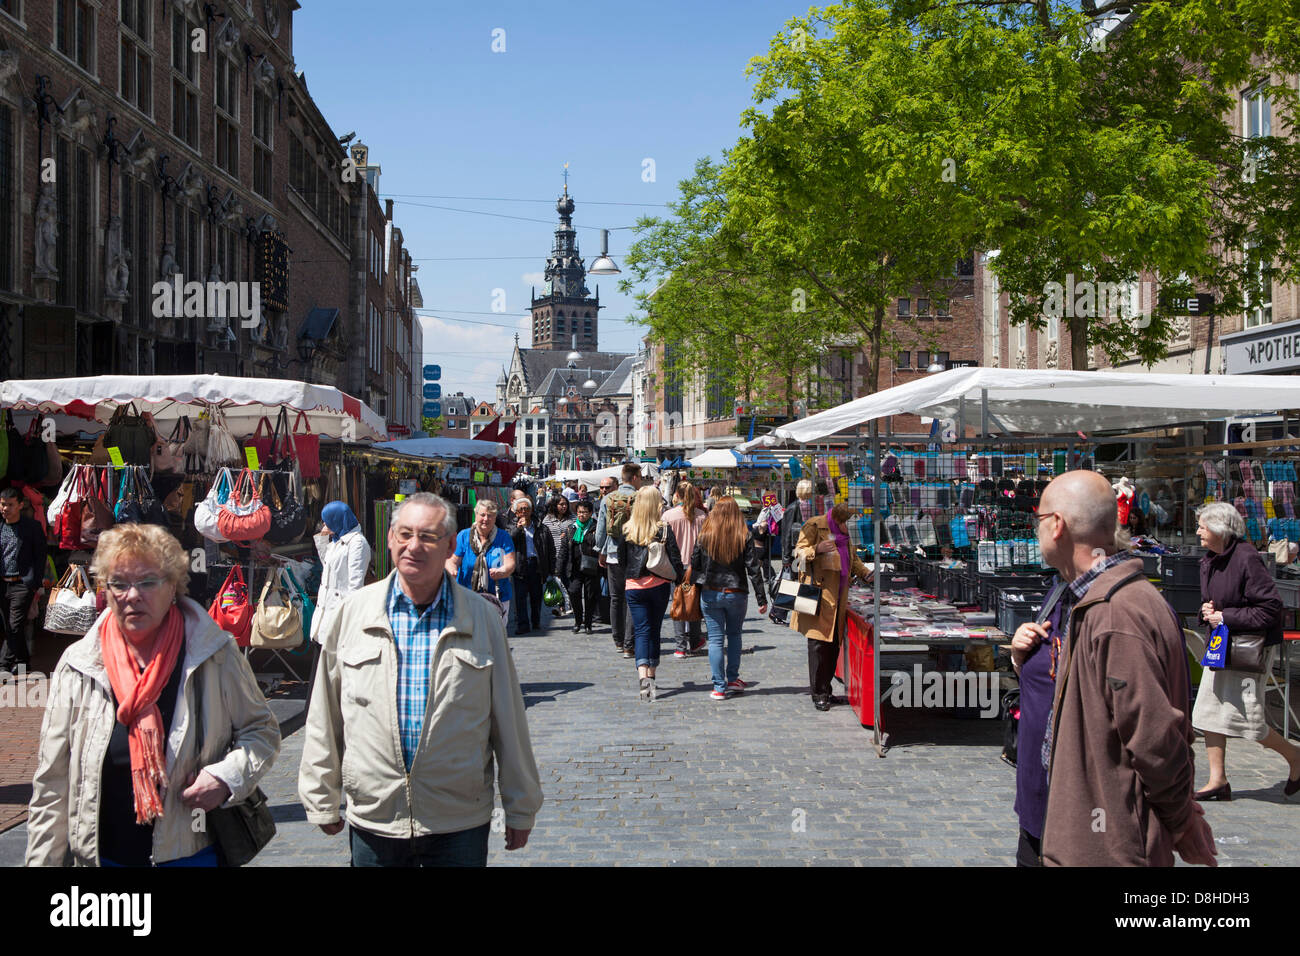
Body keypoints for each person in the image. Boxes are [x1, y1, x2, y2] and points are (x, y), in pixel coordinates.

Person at [300, 493, 542, 866]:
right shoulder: (354, 613)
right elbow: (324, 713)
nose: (414, 546)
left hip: (458, 820)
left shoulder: (480, 618)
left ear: (448, 546)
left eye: (428, 536)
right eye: (405, 534)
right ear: (391, 539)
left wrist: (520, 806)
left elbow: (508, 718)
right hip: (375, 816)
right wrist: (320, 795)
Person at [27, 523, 280, 866]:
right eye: (119, 583)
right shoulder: (79, 664)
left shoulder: (213, 653)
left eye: (147, 582)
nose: (132, 595)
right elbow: (52, 785)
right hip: (102, 858)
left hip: (189, 852)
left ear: (173, 585)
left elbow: (261, 731)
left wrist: (226, 776)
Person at [1024, 469, 1215, 867]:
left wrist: (1181, 822)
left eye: (1039, 520)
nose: (1036, 531)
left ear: (1057, 525)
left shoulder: (1115, 611)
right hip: (1100, 835)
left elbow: (1154, 738)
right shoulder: (1106, 600)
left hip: (1109, 845)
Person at [1191, 501, 1300, 801]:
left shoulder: (1246, 557)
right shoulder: (1210, 560)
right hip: (1220, 646)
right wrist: (1207, 612)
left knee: (1249, 721)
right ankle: (1217, 781)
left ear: (1221, 529)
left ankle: (1295, 757)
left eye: (1203, 525)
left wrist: (1225, 616)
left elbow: (1269, 609)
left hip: (1247, 651)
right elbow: (1215, 605)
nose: (1198, 531)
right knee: (1207, 712)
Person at [789, 501, 873, 711]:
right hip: (819, 595)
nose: (845, 525)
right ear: (835, 518)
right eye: (843, 521)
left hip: (840, 596)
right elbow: (796, 555)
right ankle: (818, 693)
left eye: (847, 522)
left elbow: (852, 558)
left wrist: (865, 573)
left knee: (833, 645)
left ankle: (826, 689)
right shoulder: (814, 526)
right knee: (818, 646)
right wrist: (816, 549)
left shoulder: (844, 533)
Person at [689, 497, 767, 700]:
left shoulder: (705, 534)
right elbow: (753, 568)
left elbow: (695, 562)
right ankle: (732, 678)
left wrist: (697, 585)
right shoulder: (743, 535)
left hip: (711, 591)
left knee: (715, 640)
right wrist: (761, 598)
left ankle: (719, 686)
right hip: (736, 592)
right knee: (734, 636)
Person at [618, 485, 683, 701]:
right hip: (659, 585)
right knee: (654, 630)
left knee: (642, 631)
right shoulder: (663, 528)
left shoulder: (627, 529)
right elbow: (675, 558)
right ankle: (651, 677)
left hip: (634, 587)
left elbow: (621, 561)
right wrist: (680, 579)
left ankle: (643, 679)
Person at [310, 501, 372, 679]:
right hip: (325, 612)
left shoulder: (357, 544)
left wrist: (348, 621)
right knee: (319, 675)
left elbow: (355, 584)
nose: (324, 525)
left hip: (338, 615)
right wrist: (322, 539)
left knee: (332, 676)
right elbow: (328, 565)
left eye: (327, 521)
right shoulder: (337, 541)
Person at [594, 463, 642, 656]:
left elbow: (601, 530)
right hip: (635, 554)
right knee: (632, 599)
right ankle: (630, 644)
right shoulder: (640, 498)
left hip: (613, 553)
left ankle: (618, 640)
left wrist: (601, 550)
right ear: (636, 477)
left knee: (616, 598)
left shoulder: (608, 498)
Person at [446, 499, 516, 625]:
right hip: (466, 597)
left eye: (490, 515)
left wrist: (502, 571)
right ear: (476, 515)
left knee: (494, 638)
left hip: (497, 597)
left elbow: (510, 564)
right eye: (482, 515)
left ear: (495, 518)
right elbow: (452, 560)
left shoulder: (503, 537)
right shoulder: (464, 536)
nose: (486, 519)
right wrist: (452, 569)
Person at [0, 487, 46, 674]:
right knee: (9, 627)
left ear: (20, 505)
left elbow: (40, 556)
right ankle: (23, 662)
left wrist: (34, 583)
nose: (5, 509)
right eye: (3, 504)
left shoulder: (32, 527)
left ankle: (3, 664)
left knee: (14, 625)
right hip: (2, 584)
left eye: (10, 505)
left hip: (22, 583)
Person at [663, 481, 707, 658]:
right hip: (696, 565)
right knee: (693, 603)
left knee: (678, 603)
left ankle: (680, 645)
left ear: (677, 495)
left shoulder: (668, 516)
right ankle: (695, 641)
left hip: (676, 566)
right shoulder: (702, 516)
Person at [510, 498, 554, 635]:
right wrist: (518, 529)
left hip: (536, 564)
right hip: (520, 564)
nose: (524, 512)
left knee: (536, 596)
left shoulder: (540, 526)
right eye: (521, 509)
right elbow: (509, 540)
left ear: (531, 510)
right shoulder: (512, 525)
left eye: (526, 509)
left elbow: (550, 547)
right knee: (520, 597)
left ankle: (536, 620)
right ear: (516, 512)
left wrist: (551, 569)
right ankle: (523, 624)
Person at [559, 499, 602, 633]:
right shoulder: (571, 529)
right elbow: (564, 550)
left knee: (590, 595)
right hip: (575, 568)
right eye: (579, 512)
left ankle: (588, 623)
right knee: (574, 592)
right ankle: (578, 620)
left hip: (592, 567)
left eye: (584, 512)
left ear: (590, 513)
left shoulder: (596, 528)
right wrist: (559, 568)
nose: (581, 515)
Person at [542, 495, 575, 566]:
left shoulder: (573, 518)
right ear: (554, 505)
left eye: (566, 504)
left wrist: (569, 534)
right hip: (553, 556)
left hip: (569, 556)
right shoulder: (547, 519)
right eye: (561, 504)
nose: (564, 506)